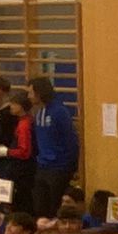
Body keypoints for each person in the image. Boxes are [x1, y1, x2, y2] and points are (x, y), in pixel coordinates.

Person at [29, 76, 79, 218]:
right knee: (39, 208)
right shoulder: (39, 112)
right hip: (42, 166)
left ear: (39, 93)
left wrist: (72, 166)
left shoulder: (59, 112)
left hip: (59, 168)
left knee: (54, 208)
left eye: (31, 93)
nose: (29, 96)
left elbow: (71, 141)